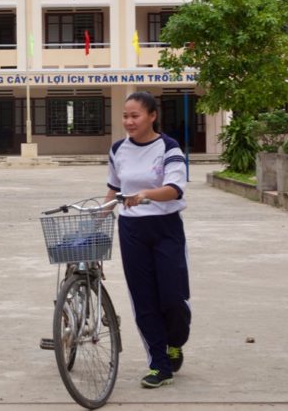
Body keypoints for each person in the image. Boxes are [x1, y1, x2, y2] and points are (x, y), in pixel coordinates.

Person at [104, 91, 190, 389]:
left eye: (135, 116)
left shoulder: (169, 147)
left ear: (152, 116)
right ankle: (159, 364)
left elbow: (175, 189)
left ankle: (175, 341)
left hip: (165, 228)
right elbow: (113, 188)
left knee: (172, 297)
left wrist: (145, 195)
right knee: (144, 300)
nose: (128, 121)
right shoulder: (117, 150)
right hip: (132, 231)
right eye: (125, 116)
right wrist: (99, 215)